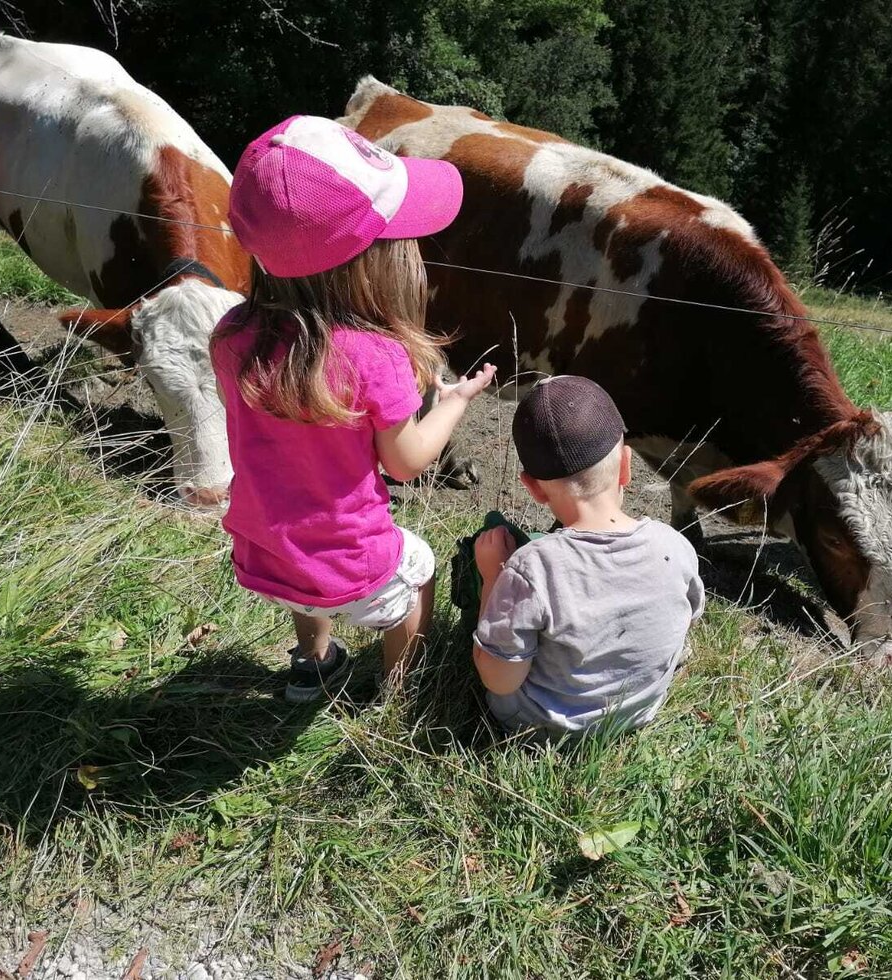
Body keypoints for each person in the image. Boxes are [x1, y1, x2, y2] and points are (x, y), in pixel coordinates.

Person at [212, 115, 496, 703]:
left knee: (304, 585)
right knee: (417, 571)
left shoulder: (231, 335)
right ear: (370, 258)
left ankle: (312, 665)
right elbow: (408, 463)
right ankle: (400, 689)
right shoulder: (375, 357)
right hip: (346, 562)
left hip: (264, 549)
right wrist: (455, 403)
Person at [472, 376, 705, 735]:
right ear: (626, 466)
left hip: (540, 725)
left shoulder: (531, 567)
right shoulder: (674, 546)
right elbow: (686, 621)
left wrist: (493, 578)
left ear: (533, 488)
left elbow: (499, 682)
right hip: (639, 711)